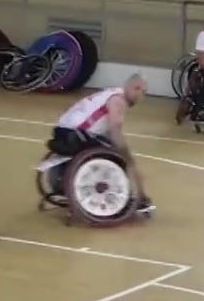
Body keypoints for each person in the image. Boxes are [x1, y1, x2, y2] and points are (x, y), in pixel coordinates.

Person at [50, 74, 153, 213]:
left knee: (110, 147)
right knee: (120, 157)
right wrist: (126, 154)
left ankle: (67, 183)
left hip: (64, 129)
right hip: (76, 133)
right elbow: (115, 129)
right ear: (129, 87)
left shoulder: (111, 92)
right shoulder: (119, 100)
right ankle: (129, 198)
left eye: (144, 92)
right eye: (138, 89)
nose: (140, 95)